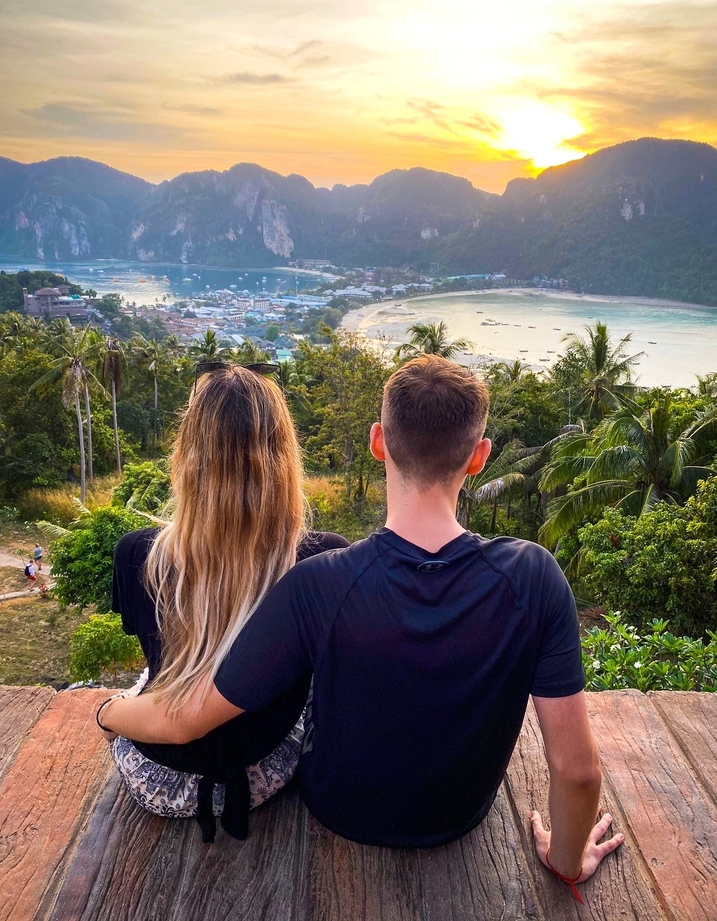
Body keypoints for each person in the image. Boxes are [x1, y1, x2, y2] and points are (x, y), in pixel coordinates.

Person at [100, 356, 623, 894]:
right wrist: (566, 861)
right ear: (479, 456)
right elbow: (578, 771)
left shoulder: (320, 582)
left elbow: (192, 715)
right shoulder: (534, 576)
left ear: (378, 442)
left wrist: (106, 710)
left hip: (336, 809)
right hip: (461, 818)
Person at [105, 363, 348, 841]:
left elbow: (157, 658)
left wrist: (108, 712)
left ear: (186, 456)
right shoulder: (323, 560)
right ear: (283, 461)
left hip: (157, 778)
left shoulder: (137, 555)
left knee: (139, 684)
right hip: (263, 774)